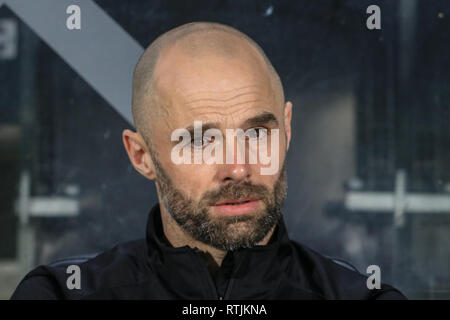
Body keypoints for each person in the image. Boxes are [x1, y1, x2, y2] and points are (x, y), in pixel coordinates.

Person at [11, 22, 406, 300]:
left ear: (286, 129)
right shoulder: (60, 294)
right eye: (201, 141)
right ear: (141, 155)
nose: (238, 167)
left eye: (256, 133)